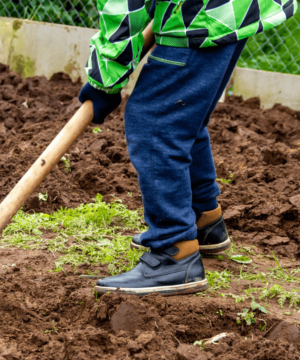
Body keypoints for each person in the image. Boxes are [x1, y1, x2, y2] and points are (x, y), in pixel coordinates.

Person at [79, 0, 297, 296]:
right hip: (231, 9)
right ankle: (203, 218)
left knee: (156, 122)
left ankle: (174, 251)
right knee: (180, 117)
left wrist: (104, 81)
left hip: (201, 12)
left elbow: (124, 6)